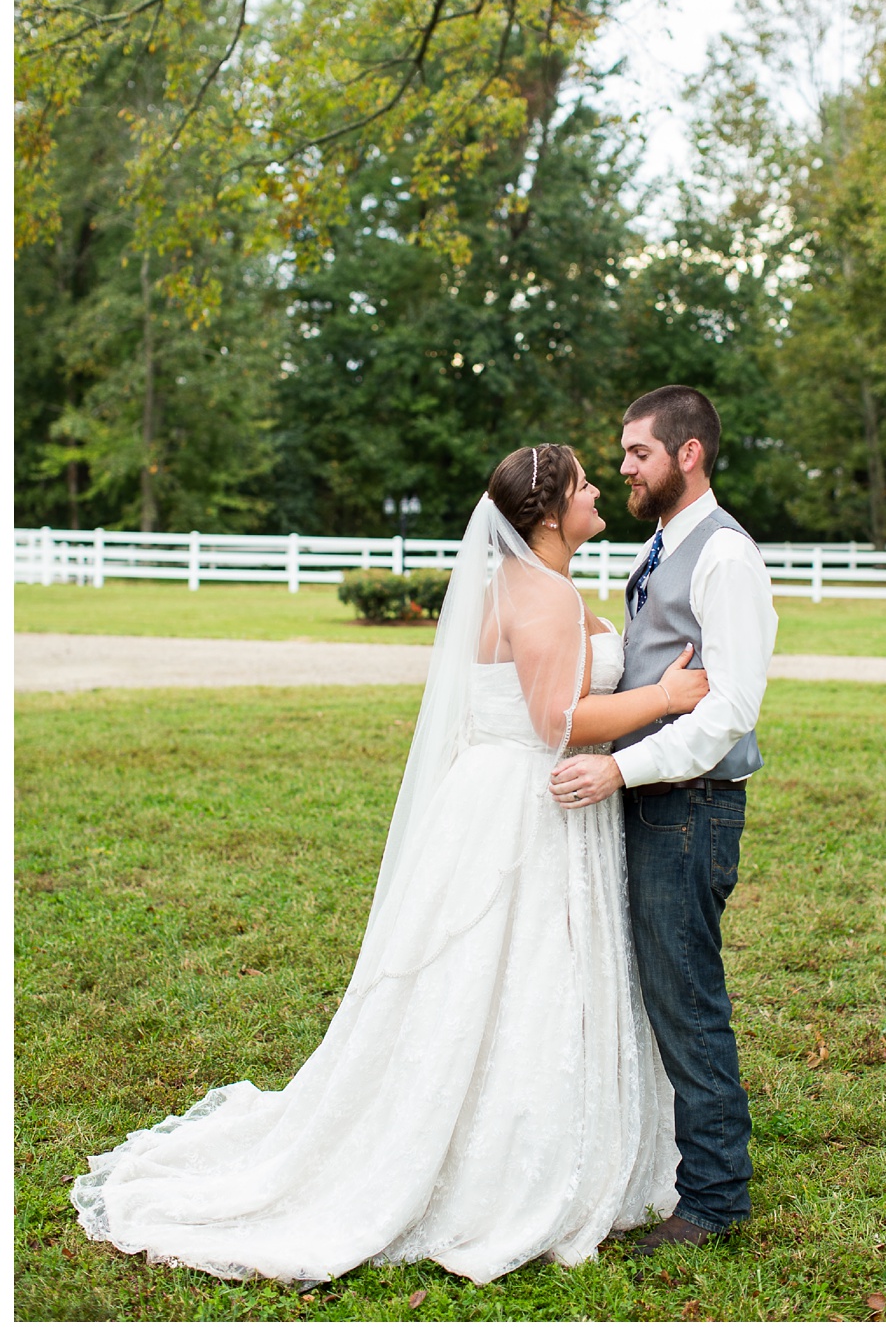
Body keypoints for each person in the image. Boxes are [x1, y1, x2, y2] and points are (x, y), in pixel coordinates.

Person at [72, 445, 709, 1284]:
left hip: (491, 795)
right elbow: (561, 719)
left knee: (483, 976)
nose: (599, 491)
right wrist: (666, 698)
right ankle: (500, 1160)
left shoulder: (515, 586)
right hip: (532, 801)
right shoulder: (547, 595)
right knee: (523, 970)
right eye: (586, 483)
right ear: (550, 514)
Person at [550, 385, 778, 1249]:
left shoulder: (726, 557)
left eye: (637, 452)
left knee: (687, 999)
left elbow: (728, 710)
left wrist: (618, 764)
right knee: (663, 989)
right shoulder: (661, 546)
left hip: (690, 805)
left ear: (687, 453)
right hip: (657, 801)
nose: (623, 468)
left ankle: (715, 1200)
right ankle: (684, 1171)